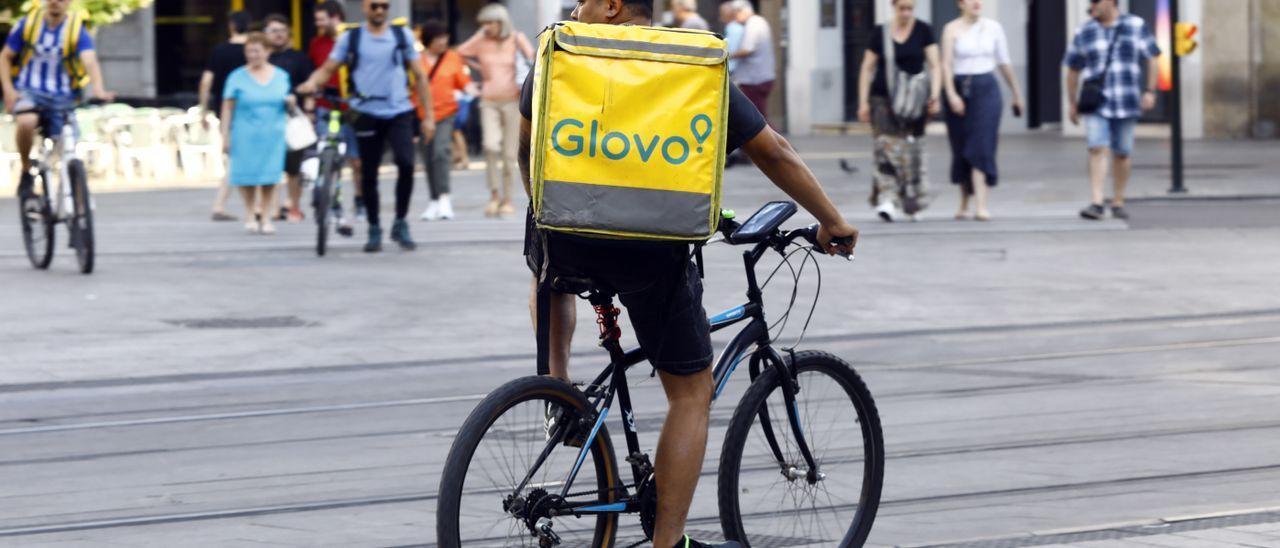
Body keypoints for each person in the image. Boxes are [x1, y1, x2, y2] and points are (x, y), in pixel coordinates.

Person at [518, 2, 859, 546]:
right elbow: (773, 151)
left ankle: (558, 393)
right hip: (650, 256)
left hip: (566, 244)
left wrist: (557, 219)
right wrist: (831, 219)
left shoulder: (561, 52)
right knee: (691, 394)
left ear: (611, 4)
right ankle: (668, 542)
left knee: (548, 260)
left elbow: (526, 151)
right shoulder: (692, 65)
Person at [298, 0, 436, 253]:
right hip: (365, 112)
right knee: (368, 172)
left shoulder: (400, 34)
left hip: (399, 110)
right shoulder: (351, 38)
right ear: (364, 7)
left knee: (406, 164)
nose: (380, 10)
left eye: (385, 5)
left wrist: (428, 116)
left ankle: (400, 221)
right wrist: (310, 83)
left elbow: (420, 75)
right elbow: (328, 68)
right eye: (375, 6)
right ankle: (374, 227)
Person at [1, 0, 114, 204]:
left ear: (69, 3)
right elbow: (5, 56)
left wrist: (98, 89)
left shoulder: (75, 29)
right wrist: (9, 90)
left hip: (63, 96)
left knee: (69, 150)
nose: (55, 2)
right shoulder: (28, 24)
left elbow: (89, 61)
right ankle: (26, 171)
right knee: (26, 122)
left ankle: (80, 207)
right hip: (29, 90)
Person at [1065, 0, 1160, 221]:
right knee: (1096, 147)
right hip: (1097, 102)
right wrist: (1072, 103)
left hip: (1127, 100)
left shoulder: (1135, 25)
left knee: (1122, 152)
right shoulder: (1085, 31)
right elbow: (1073, 69)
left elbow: (1153, 57)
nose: (1093, 5)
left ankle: (1118, 200)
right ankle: (1097, 202)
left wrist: (1150, 91)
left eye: (1097, 1)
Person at [857, 0, 941, 222]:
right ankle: (887, 199)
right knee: (885, 149)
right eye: (902, 8)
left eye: (910, 8)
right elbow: (867, 67)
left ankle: (913, 202)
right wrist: (863, 102)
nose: (906, 13)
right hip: (883, 99)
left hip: (915, 102)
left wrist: (935, 95)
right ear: (893, 6)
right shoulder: (880, 33)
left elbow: (935, 64)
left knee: (913, 151)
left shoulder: (923, 30)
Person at [940, 0, 1023, 221]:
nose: (977, 3)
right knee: (961, 146)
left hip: (986, 89)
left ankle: (981, 204)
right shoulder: (951, 28)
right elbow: (946, 64)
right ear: (960, 3)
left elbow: (1004, 62)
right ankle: (964, 202)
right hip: (959, 87)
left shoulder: (994, 27)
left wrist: (1016, 93)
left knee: (982, 143)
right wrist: (951, 94)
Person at [457, 4, 534, 218]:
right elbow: (460, 52)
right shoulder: (481, 40)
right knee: (490, 147)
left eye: (490, 23)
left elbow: (533, 61)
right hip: (488, 100)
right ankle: (493, 196)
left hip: (512, 102)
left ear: (501, 22)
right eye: (483, 23)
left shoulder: (516, 39)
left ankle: (507, 200)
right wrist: (480, 69)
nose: (486, 27)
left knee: (510, 154)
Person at [221, 32, 294, 236]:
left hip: (273, 133)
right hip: (245, 133)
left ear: (268, 52)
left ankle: (267, 216)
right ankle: (250, 213)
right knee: (247, 176)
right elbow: (227, 108)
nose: (253, 55)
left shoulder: (281, 76)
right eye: (249, 51)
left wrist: (292, 101)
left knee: (270, 176)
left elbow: (287, 100)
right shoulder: (236, 77)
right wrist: (225, 135)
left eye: (257, 51)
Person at [309, 0, 366, 223]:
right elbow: (316, 72)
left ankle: (360, 201)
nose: (319, 24)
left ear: (336, 17)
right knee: (328, 154)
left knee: (357, 160)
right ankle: (330, 200)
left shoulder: (355, 39)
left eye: (322, 19)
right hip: (326, 105)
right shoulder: (316, 43)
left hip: (352, 107)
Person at [414, 20, 470, 221]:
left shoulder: (453, 58)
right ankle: (434, 200)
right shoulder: (416, 59)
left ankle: (445, 198)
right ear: (428, 40)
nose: (443, 42)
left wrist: (476, 89)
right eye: (439, 38)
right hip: (421, 116)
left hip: (446, 113)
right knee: (428, 158)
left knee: (440, 153)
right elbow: (409, 87)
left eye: (445, 37)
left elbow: (464, 83)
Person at [199, 10, 251, 222]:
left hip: (226, 110)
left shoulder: (219, 51)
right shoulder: (255, 51)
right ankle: (224, 205)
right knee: (238, 159)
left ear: (231, 26)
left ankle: (228, 205)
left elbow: (205, 82)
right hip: (252, 110)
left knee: (236, 158)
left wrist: (203, 109)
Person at [264, 14, 314, 224]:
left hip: (294, 120)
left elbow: (310, 87)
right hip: (267, 119)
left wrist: (310, 113)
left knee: (294, 168)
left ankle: (294, 206)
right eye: (274, 31)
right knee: (270, 166)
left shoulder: (299, 58)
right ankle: (274, 208)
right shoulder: (262, 59)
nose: (278, 35)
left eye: (282, 31)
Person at [729, 0, 776, 122]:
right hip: (759, 77)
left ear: (741, 11)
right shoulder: (757, 22)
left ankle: (773, 141)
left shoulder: (753, 24)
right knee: (759, 116)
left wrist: (728, 55)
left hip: (755, 79)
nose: (735, 19)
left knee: (758, 120)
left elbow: (747, 49)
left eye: (735, 15)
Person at [718, 1, 744, 77]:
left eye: (721, 13)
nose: (720, 17)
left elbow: (732, 50)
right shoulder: (733, 27)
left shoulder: (734, 29)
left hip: (733, 71)